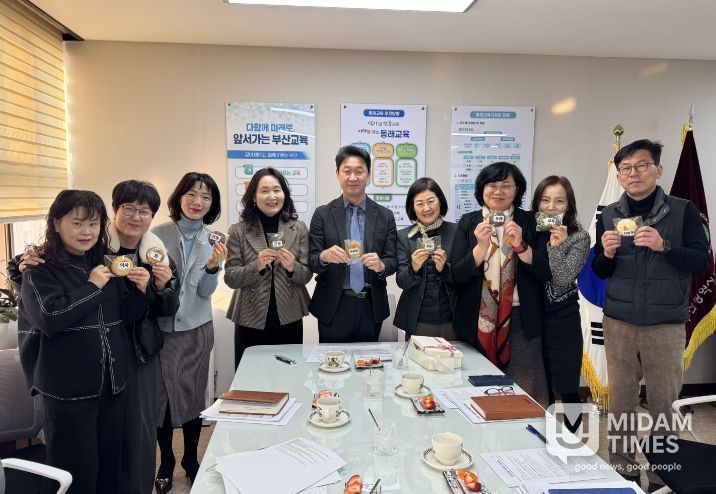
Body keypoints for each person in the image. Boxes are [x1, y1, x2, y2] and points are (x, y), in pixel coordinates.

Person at [17, 189, 152, 494]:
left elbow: (125, 317)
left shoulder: (105, 261)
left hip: (112, 384)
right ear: (56, 223)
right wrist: (92, 286)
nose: (86, 232)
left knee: (110, 467)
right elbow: (49, 318)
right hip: (67, 391)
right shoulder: (39, 270)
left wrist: (142, 291)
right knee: (74, 471)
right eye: (77, 223)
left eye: (93, 224)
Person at [592, 139, 709, 489]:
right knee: (621, 404)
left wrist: (664, 246)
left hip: (665, 325)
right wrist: (605, 254)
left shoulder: (684, 211)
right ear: (618, 175)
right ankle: (623, 471)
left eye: (641, 166)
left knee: (663, 405)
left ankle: (662, 476)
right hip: (619, 323)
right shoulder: (609, 214)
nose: (633, 173)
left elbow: (702, 262)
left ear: (658, 170)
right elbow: (599, 270)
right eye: (626, 168)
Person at [450, 162, 550, 404]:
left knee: (525, 393)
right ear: (481, 190)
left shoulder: (531, 221)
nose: (498, 191)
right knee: (477, 392)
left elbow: (545, 272)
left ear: (517, 190)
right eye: (492, 185)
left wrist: (520, 246)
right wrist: (480, 247)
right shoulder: (468, 222)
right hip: (477, 319)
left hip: (521, 318)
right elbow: (456, 275)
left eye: (506, 185)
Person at [152, 172, 227, 493]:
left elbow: (206, 292)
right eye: (192, 194)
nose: (198, 202)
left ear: (212, 204)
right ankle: (167, 461)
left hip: (196, 330)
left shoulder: (214, 239)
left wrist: (212, 267)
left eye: (206, 197)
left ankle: (191, 459)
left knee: (194, 398)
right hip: (160, 331)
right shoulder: (156, 235)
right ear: (179, 198)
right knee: (162, 402)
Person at [107, 181, 179, 494]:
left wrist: (162, 287)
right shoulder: (95, 249)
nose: (136, 217)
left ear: (152, 217)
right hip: (101, 349)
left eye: (144, 211)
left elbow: (169, 309)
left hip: (140, 351)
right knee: (107, 427)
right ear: (115, 210)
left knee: (140, 428)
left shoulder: (157, 254)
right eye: (129, 208)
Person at [308, 145, 397, 343]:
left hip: (370, 305)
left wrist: (381, 265)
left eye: (359, 171)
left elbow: (393, 260)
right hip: (333, 305)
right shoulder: (322, 214)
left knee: (367, 361)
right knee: (332, 361)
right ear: (337, 174)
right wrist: (324, 256)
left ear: (368, 174)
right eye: (347, 171)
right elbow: (312, 260)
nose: (353, 177)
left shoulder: (385, 216)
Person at [225, 167, 312, 368]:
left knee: (288, 374)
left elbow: (307, 274)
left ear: (284, 194)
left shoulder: (298, 228)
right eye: (264, 191)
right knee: (250, 377)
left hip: (289, 315)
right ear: (253, 197)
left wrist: (292, 267)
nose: (272, 196)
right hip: (250, 316)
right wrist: (257, 265)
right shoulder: (238, 230)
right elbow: (230, 278)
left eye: (277, 190)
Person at [531, 176, 590, 426]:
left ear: (569, 205)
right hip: (533, 317)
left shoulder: (579, 237)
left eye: (559, 201)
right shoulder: (529, 231)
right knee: (539, 385)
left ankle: (571, 441)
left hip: (563, 318)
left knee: (567, 387)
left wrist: (556, 247)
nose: (551, 207)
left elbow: (563, 279)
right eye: (545, 200)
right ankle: (541, 438)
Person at [393, 177, 458, 339]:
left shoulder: (457, 231)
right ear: (412, 208)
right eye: (420, 203)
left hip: (453, 317)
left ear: (440, 202)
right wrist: (413, 267)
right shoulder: (404, 237)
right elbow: (401, 282)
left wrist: (445, 268)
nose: (426, 208)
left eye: (431, 201)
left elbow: (463, 275)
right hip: (418, 319)